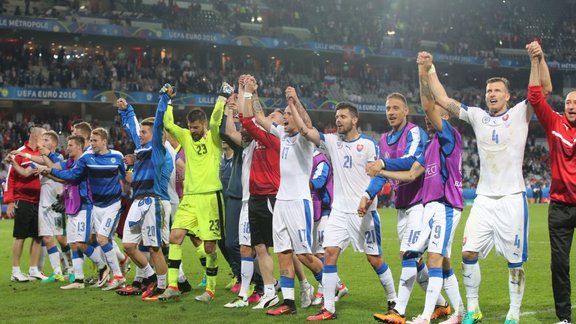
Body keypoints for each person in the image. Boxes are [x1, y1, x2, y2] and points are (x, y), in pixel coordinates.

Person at [425, 47, 552, 323]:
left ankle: (514, 313)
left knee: (514, 262)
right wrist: (430, 69)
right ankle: (473, 309)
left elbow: (544, 88)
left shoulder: (521, 112)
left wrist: (537, 60)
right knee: (468, 253)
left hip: (512, 198)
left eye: (496, 90)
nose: (491, 94)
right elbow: (443, 99)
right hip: (483, 199)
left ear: (507, 96)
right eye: (488, 91)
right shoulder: (478, 117)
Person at [376, 52, 466, 324]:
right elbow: (413, 170)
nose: (430, 116)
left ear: (446, 115)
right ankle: (460, 311)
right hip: (430, 207)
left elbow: (428, 105)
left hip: (446, 206)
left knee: (434, 258)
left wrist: (423, 71)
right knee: (427, 257)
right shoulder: (429, 145)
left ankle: (423, 315)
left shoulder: (449, 135)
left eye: (437, 112)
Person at [297, 102, 397, 321]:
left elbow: (381, 175)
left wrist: (368, 197)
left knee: (375, 259)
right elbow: (307, 129)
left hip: (364, 212)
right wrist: (295, 102)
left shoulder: (369, 145)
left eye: (342, 116)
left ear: (354, 120)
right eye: (336, 117)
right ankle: (329, 308)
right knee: (330, 254)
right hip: (339, 212)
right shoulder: (332, 142)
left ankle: (393, 300)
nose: (338, 120)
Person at [367, 93, 449, 324]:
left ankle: (398, 311)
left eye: (396, 108)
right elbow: (379, 173)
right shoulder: (383, 139)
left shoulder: (414, 132)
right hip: (401, 207)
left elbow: (411, 161)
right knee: (413, 258)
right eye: (387, 108)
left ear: (405, 111)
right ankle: (442, 305)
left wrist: (382, 164)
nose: (391, 112)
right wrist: (367, 194)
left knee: (409, 255)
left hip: (419, 205)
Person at [249, 84, 323, 316]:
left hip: (298, 202)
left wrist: (294, 102)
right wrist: (253, 93)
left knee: (303, 254)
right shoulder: (282, 134)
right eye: (285, 116)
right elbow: (259, 117)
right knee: (283, 252)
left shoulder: (306, 139)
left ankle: (335, 284)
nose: (286, 119)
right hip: (281, 202)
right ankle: (289, 303)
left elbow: (308, 129)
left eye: (290, 115)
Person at [158, 82, 228, 302]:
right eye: (191, 127)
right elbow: (167, 123)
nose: (193, 131)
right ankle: (172, 287)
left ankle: (210, 290)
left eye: (196, 128)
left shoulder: (214, 139)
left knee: (209, 246)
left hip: (210, 198)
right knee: (174, 237)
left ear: (204, 125)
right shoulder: (186, 137)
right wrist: (167, 99)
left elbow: (217, 120)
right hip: (189, 198)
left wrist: (222, 98)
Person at [527, 41, 576, 324]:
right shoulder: (555, 124)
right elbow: (535, 97)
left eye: (575, 103)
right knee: (559, 265)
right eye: (568, 102)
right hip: (558, 207)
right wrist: (536, 61)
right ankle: (564, 318)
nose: (571, 106)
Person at [45, 127, 127, 291]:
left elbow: (127, 176)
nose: (92, 144)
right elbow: (72, 176)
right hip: (96, 205)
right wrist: (50, 171)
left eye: (95, 141)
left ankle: (116, 274)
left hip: (112, 203)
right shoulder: (87, 158)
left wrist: (133, 168)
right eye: (91, 141)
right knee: (96, 240)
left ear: (104, 141)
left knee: (99, 240)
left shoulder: (117, 156)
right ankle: (115, 267)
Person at [116, 93, 174, 301]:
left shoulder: (158, 149)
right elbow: (132, 127)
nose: (139, 134)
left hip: (154, 200)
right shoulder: (141, 149)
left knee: (155, 247)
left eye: (144, 132)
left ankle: (161, 286)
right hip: (138, 200)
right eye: (140, 131)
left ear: (154, 134)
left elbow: (158, 123)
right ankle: (150, 276)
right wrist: (125, 110)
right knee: (129, 245)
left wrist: (164, 99)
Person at [240, 80, 284, 310]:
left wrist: (249, 94)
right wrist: (250, 93)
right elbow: (248, 119)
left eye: (274, 118)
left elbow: (252, 119)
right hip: (256, 197)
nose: (270, 119)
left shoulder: (276, 139)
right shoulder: (260, 139)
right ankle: (269, 291)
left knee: (285, 248)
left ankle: (312, 283)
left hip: (271, 196)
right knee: (259, 247)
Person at [10, 130, 70, 283]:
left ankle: (70, 268)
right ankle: (57, 272)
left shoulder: (59, 157)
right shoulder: (39, 160)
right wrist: (15, 162)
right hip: (43, 204)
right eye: (42, 139)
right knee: (47, 238)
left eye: (47, 139)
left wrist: (31, 157)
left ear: (54, 144)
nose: (43, 142)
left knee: (62, 239)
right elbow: (24, 173)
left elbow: (54, 168)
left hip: (56, 204)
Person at [5, 126, 46, 282]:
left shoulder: (42, 154)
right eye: (44, 137)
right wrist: (9, 202)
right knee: (20, 236)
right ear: (36, 137)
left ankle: (33, 269)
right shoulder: (19, 153)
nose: (45, 140)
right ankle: (15, 271)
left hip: (39, 201)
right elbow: (10, 178)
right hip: (23, 200)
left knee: (37, 237)